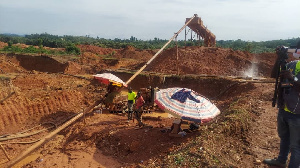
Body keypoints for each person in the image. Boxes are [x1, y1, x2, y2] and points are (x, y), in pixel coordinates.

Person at [263, 41, 300, 168]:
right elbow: (274, 75)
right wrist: (279, 59)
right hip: (284, 109)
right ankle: (281, 160)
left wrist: (293, 78)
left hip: (297, 114)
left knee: (296, 146)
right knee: (285, 138)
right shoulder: (293, 64)